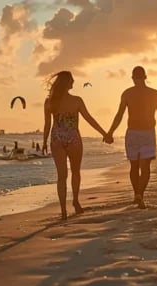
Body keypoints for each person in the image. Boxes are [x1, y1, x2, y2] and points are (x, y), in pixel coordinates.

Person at [43, 71, 108, 219]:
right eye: (72, 80)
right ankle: (76, 202)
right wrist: (104, 133)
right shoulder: (77, 100)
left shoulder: (49, 101)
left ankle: (63, 211)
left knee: (61, 176)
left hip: (56, 139)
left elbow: (47, 125)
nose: (73, 83)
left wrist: (44, 141)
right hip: (73, 138)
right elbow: (89, 119)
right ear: (67, 83)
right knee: (75, 172)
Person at [105, 66, 157, 209]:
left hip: (133, 132)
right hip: (147, 132)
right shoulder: (155, 94)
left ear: (133, 78)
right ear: (145, 77)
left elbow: (119, 115)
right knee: (145, 167)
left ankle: (137, 194)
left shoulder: (127, 93)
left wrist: (110, 132)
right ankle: (140, 195)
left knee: (134, 166)